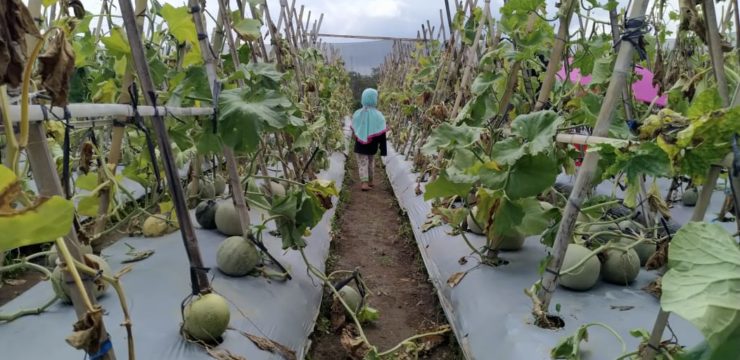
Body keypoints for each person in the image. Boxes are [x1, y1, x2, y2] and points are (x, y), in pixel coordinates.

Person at [351, 88, 387, 191]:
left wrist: (355, 138)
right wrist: (383, 150)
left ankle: (364, 183)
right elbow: (382, 133)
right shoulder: (379, 115)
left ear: (363, 99)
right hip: (373, 146)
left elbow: (354, 129)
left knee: (363, 163)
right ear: (375, 100)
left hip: (360, 145)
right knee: (371, 163)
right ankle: (370, 181)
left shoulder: (357, 113)